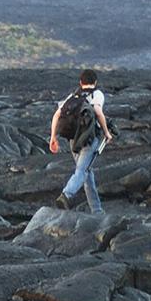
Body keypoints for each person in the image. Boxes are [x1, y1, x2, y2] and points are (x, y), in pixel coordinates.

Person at [49, 69, 113, 214]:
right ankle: (66, 194)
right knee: (81, 171)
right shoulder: (96, 94)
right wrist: (107, 133)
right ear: (95, 82)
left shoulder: (73, 96)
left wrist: (53, 137)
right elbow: (97, 111)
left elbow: (57, 115)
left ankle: (97, 210)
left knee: (87, 172)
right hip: (90, 139)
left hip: (73, 139)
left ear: (81, 82)